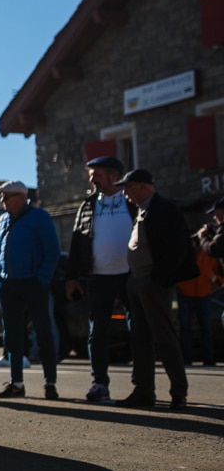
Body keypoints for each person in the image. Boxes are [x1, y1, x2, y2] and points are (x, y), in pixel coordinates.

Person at [114, 169, 197, 409]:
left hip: (153, 281)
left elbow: (179, 248)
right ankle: (144, 391)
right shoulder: (140, 209)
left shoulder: (165, 209)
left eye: (128, 188)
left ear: (141, 187)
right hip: (137, 280)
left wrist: (158, 278)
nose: (126, 194)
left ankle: (178, 392)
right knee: (139, 338)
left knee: (164, 337)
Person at [64, 155, 135, 402]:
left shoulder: (131, 200)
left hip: (130, 274)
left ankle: (142, 384)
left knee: (137, 328)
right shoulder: (88, 205)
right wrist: (71, 276)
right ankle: (99, 384)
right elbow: (77, 242)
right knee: (97, 332)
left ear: (113, 176)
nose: (92, 180)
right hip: (98, 277)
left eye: (96, 175)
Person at [0, 181, 62, 399]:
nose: (2, 201)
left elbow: (52, 251)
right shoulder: (3, 220)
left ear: (21, 197)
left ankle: (50, 383)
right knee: (12, 335)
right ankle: (16, 383)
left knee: (43, 333)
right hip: (7, 284)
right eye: (1, 197)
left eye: (7, 196)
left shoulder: (39, 217)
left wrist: (41, 279)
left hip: (33, 282)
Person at [176, 215, 221, 366]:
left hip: (204, 295)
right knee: (185, 329)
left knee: (206, 329)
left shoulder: (206, 253)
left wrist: (217, 283)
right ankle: (186, 359)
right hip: (185, 295)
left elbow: (219, 270)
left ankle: (208, 359)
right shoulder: (182, 254)